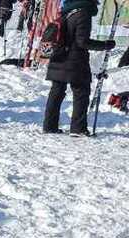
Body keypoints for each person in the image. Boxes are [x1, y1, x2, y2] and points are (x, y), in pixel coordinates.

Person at [42, 0, 115, 136]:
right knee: (81, 92)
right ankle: (78, 128)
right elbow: (82, 41)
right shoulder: (83, 13)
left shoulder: (66, 11)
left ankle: (49, 126)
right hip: (74, 61)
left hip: (58, 58)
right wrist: (105, 45)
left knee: (56, 92)